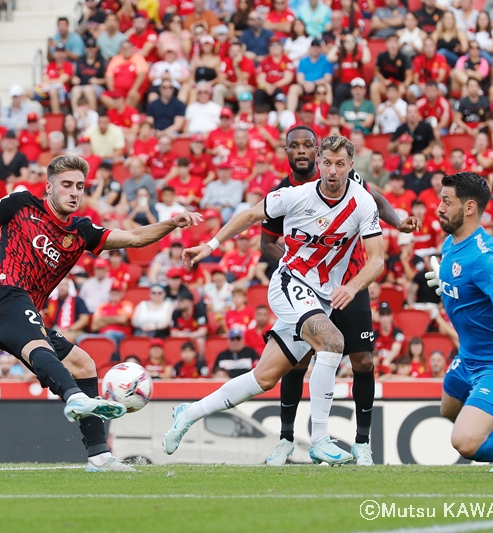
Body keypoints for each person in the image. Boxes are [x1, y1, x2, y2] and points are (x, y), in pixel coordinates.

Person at [0, 155, 202, 473]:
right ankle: (74, 398)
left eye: (79, 186)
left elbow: (134, 238)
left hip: (24, 313)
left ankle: (99, 456)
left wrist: (171, 224)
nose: (74, 192)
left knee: (83, 363)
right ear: (49, 186)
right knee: (43, 347)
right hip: (0, 297)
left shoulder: (81, 230)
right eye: (66, 185)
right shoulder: (21, 204)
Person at [163, 135, 387, 465]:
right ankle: (320, 437)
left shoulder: (363, 203)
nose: (333, 171)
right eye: (327, 163)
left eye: (341, 164)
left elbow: (378, 259)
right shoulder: (295, 196)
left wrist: (352, 287)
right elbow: (250, 215)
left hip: (323, 296)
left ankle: (189, 413)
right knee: (332, 341)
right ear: (319, 163)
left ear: (351, 167)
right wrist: (210, 246)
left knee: (264, 378)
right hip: (289, 282)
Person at [258, 126, 420, 467]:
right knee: (298, 361)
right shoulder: (283, 195)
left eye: (307, 145)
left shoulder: (345, 175)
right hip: (305, 289)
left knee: (363, 361)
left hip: (349, 284)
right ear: (287, 151)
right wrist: (299, 275)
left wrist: (398, 221)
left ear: (317, 152)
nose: (301, 151)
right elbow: (267, 244)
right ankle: (286, 440)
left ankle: (362, 443)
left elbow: (374, 198)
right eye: (294, 146)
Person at [424, 172, 493, 473]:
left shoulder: (489, 258)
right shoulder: (451, 244)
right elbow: (465, 286)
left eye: (447, 202)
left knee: (464, 441)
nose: (439, 208)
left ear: (470, 207)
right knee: (449, 408)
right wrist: (444, 282)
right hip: (469, 358)